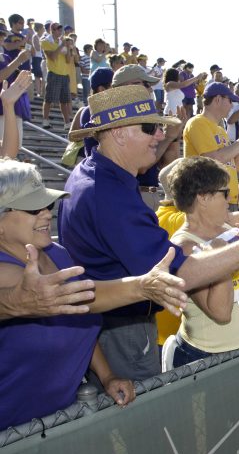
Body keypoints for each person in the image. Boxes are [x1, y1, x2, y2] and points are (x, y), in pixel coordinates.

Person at [59, 85, 239, 382]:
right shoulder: (108, 195)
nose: (160, 135)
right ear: (118, 133)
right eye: (150, 127)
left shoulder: (97, 173)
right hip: (123, 329)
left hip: (111, 324)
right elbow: (178, 274)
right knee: (140, 418)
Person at [0, 159, 188, 429]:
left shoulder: (58, 255)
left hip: (60, 419)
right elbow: (84, 298)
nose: (45, 214)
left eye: (48, 204)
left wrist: (107, 375)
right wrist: (141, 286)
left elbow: (80, 321)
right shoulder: (5, 272)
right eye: (33, 208)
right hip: (12, 431)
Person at [164, 157, 239, 368]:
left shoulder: (227, 231)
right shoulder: (184, 247)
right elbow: (221, 313)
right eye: (224, 192)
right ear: (203, 197)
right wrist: (224, 253)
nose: (231, 197)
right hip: (204, 359)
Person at [183, 82, 239, 212]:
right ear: (217, 99)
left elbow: (236, 165)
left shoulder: (221, 131)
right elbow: (214, 159)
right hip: (209, 200)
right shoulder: (197, 123)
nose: (232, 105)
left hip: (227, 200)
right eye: (230, 100)